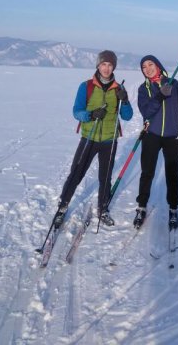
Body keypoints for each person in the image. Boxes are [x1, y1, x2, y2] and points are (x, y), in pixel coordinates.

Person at [55, 50, 133, 227]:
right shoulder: (87, 86)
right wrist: (90, 115)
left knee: (105, 178)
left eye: (110, 65)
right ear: (98, 65)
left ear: (114, 67)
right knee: (76, 173)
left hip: (109, 140)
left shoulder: (119, 89)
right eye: (103, 64)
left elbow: (127, 116)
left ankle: (103, 209)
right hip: (89, 138)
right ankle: (62, 206)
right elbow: (76, 111)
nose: (106, 68)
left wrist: (126, 100)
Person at [134, 55, 178, 230]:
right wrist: (159, 97)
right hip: (151, 135)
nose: (147, 69)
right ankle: (141, 207)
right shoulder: (143, 89)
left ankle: (173, 208)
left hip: (172, 136)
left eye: (150, 64)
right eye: (144, 67)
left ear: (158, 65)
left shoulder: (173, 83)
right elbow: (146, 111)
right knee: (147, 172)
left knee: (172, 174)